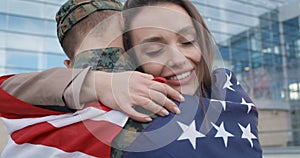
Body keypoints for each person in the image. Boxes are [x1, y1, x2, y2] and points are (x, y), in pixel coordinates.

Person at [0, 0, 182, 157]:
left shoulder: (25, 118)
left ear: (68, 65)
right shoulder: (171, 99)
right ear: (130, 44)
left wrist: (90, 82)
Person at [109, 0, 263, 157]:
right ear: (132, 60)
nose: (178, 59)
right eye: (154, 50)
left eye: (187, 42)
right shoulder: (120, 129)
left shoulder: (234, 101)